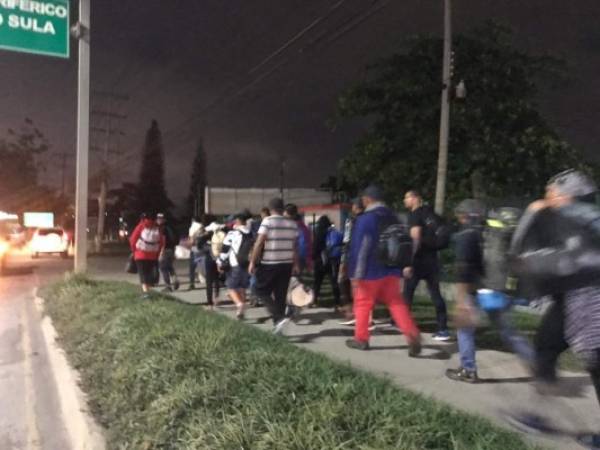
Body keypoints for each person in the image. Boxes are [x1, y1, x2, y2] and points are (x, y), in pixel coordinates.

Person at [505, 170, 600, 448]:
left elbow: (520, 255)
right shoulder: (585, 218)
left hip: (585, 302)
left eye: (551, 193)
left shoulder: (571, 220)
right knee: (545, 350)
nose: (545, 199)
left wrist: (532, 213)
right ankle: (537, 415)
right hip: (571, 301)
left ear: (566, 195)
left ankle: (537, 416)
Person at [445, 201, 534, 383]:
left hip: (479, 290)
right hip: (499, 289)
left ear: (466, 216)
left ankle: (468, 369)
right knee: (509, 332)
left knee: (465, 329)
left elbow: (464, 269)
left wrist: (461, 302)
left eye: (460, 215)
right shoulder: (488, 233)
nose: (459, 219)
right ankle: (539, 366)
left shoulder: (468, 235)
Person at [345, 185, 421, 356]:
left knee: (363, 303)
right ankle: (412, 334)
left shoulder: (366, 219)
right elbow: (405, 242)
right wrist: (404, 266)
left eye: (364, 199)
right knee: (396, 303)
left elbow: (360, 248)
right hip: (392, 270)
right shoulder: (394, 217)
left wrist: (355, 275)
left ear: (368, 199)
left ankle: (361, 339)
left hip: (370, 270)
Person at [402, 190, 450, 341]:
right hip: (432, 260)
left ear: (415, 198)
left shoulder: (415, 215)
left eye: (407, 197)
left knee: (408, 293)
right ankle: (443, 329)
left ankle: (403, 324)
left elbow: (415, 240)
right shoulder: (430, 213)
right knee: (435, 294)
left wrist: (409, 262)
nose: (405, 200)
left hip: (418, 260)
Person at [248, 198, 299, 335]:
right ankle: (278, 327)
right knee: (280, 296)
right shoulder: (292, 224)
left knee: (260, 290)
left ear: (270, 209)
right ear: (282, 209)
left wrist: (252, 261)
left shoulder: (268, 221)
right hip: (287, 264)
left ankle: (279, 317)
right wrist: (296, 264)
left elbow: (259, 243)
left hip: (270, 263)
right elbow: (294, 246)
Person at [217, 212, 253, 319]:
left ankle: (239, 304)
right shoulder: (250, 233)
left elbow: (225, 249)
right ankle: (240, 312)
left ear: (237, 221)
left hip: (236, 264)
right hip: (247, 264)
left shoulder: (233, 233)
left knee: (231, 287)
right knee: (242, 287)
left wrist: (219, 261)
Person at [338, 198, 365, 324]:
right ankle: (362, 314)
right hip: (365, 257)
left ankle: (351, 313)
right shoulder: (368, 220)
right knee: (361, 287)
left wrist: (344, 260)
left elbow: (347, 240)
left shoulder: (351, 220)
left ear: (355, 207)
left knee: (344, 282)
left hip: (352, 256)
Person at [129, 214, 165, 299]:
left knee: (142, 274)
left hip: (140, 254)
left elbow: (132, 239)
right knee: (148, 273)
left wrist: (134, 250)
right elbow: (161, 242)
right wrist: (157, 253)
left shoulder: (141, 226)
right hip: (152, 255)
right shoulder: (157, 228)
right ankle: (147, 292)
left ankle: (146, 293)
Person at [312, 215, 342, 308]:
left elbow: (315, 248)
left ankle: (314, 301)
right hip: (332, 260)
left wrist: (314, 258)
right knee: (334, 281)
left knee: (317, 283)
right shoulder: (332, 232)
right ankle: (337, 302)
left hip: (319, 262)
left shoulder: (318, 233)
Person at [156, 213, 180, 292]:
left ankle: (168, 286)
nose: (158, 220)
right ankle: (175, 280)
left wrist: (161, 252)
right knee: (169, 267)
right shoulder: (171, 227)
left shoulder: (162, 228)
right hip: (172, 250)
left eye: (159, 219)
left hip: (165, 250)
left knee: (163, 268)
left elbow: (163, 241)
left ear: (163, 220)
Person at [187, 216, 204, 290]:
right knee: (201, 264)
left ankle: (192, 283)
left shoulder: (193, 227)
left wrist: (188, 245)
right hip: (202, 248)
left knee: (192, 266)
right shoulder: (203, 227)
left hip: (195, 248)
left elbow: (191, 239)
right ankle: (203, 278)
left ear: (193, 220)